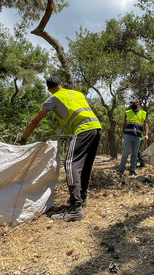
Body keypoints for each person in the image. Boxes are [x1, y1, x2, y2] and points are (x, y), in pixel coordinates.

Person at [19, 77, 101, 222]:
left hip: (82, 129)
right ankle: (82, 198)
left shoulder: (53, 98)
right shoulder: (77, 94)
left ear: (49, 89)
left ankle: (75, 209)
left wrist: (23, 140)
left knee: (70, 164)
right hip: (96, 127)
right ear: (61, 85)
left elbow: (35, 121)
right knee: (85, 165)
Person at [118, 98, 148, 176]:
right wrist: (122, 132)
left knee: (134, 154)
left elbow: (146, 125)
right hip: (128, 135)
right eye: (132, 103)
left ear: (139, 104)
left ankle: (132, 170)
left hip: (138, 136)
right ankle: (121, 170)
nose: (133, 105)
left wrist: (146, 134)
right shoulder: (127, 112)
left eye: (135, 103)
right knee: (126, 152)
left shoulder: (143, 113)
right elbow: (124, 123)